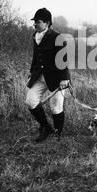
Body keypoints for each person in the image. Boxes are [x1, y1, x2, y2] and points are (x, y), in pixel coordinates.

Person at [25, 8, 70, 142]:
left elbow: (63, 60)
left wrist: (64, 78)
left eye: (37, 22)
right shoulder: (35, 36)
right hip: (39, 76)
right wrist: (32, 72)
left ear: (47, 23)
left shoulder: (58, 38)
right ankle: (45, 127)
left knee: (56, 106)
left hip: (57, 78)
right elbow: (36, 57)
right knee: (30, 101)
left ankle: (57, 133)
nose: (35, 24)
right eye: (34, 22)